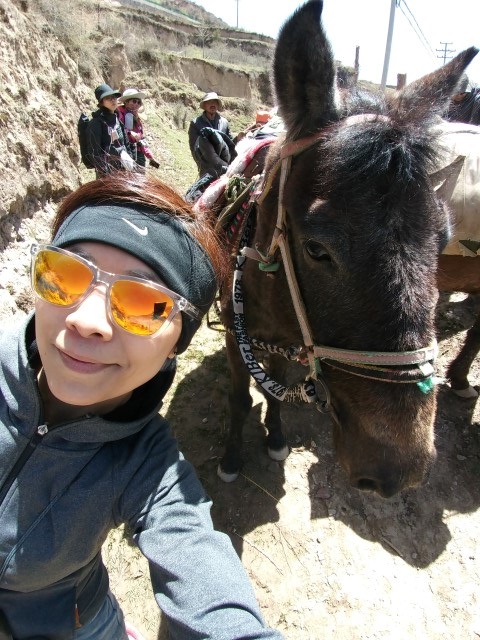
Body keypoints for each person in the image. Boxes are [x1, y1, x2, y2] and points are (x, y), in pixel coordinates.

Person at [0, 173, 283, 640]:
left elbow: (203, 573)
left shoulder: (149, 469)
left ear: (179, 343)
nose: (86, 320)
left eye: (143, 302)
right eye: (64, 274)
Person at [86, 83, 136, 177]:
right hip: (107, 176)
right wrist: (105, 173)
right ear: (101, 102)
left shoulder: (117, 120)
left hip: (123, 171)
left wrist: (130, 163)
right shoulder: (96, 123)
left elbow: (126, 144)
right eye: (108, 98)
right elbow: (94, 152)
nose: (113, 100)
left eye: (114, 97)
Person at [188, 91, 236, 178]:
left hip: (224, 165)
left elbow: (230, 143)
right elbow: (193, 147)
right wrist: (201, 164)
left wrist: (239, 138)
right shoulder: (196, 123)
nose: (212, 104)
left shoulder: (224, 122)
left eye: (215, 102)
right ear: (204, 105)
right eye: (209, 102)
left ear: (218, 105)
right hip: (206, 166)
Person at [117, 88, 160, 171]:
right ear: (126, 101)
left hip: (138, 153)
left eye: (139, 102)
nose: (137, 104)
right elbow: (119, 129)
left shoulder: (137, 119)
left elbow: (141, 139)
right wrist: (129, 133)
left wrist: (150, 156)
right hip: (126, 152)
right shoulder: (119, 114)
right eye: (134, 101)